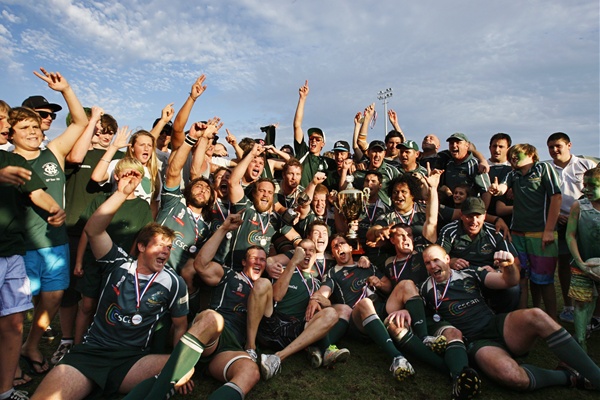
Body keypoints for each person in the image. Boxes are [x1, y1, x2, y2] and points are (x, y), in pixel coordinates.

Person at [31, 170, 189, 400]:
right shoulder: (118, 263)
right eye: (159, 244)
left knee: (186, 367)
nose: (166, 250)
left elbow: (180, 326)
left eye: (169, 246)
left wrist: (178, 369)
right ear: (142, 247)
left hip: (133, 360)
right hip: (92, 353)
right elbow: (94, 230)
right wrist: (121, 194)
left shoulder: (174, 282)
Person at [421, 244, 600, 391]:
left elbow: (509, 281)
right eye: (427, 263)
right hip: (477, 342)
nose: (433, 266)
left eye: (436, 260)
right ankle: (567, 376)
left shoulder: (470, 273)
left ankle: (596, 376)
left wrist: (508, 266)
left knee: (536, 315)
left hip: (496, 324)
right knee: (513, 377)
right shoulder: (424, 289)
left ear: (447, 259)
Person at [11, 68, 88, 377]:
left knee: (53, 299)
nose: (33, 131)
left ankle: (30, 345)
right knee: (16, 310)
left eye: (36, 126)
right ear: (11, 133)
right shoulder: (8, 161)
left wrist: (66, 90)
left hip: (56, 244)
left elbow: (81, 122)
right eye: (25, 127)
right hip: (22, 247)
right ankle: (10, 361)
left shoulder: (52, 152)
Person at [0, 99, 66, 400]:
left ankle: (6, 386)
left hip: (11, 249)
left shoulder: (18, 163)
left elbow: (38, 193)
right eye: (14, 123)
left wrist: (55, 209)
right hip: (18, 247)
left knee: (14, 321)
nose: (4, 125)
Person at [73, 158, 153, 344]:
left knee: (111, 306)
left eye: (136, 175)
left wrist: (131, 264)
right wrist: (78, 261)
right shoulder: (101, 200)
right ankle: (77, 347)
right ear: (116, 176)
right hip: (93, 261)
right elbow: (87, 231)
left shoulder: (142, 206)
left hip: (121, 267)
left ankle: (101, 345)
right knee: (87, 305)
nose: (131, 178)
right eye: (126, 174)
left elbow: (141, 237)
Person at [248, 240, 350, 380]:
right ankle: (250, 348)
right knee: (262, 283)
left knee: (331, 313)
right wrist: (293, 262)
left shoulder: (317, 283)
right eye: (303, 250)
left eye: (311, 251)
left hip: (295, 331)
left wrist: (324, 302)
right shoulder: (285, 270)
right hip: (271, 322)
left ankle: (277, 358)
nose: (307, 253)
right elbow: (277, 296)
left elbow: (324, 310)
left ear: (315, 256)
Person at [489, 143, 562, 317]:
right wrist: (497, 189)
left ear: (531, 154)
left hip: (541, 233)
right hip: (517, 234)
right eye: (511, 155)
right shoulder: (512, 174)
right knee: (522, 279)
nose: (513, 158)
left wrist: (549, 230)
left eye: (517, 154)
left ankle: (552, 322)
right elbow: (503, 188)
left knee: (544, 281)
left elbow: (556, 198)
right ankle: (525, 317)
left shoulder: (543, 168)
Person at [437, 197, 521, 313]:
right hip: (460, 277)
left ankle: (503, 318)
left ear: (485, 215)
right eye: (469, 216)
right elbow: (436, 258)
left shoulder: (494, 232)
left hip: (488, 277)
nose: (474, 221)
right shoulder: (449, 231)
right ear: (461, 215)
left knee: (513, 289)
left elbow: (515, 261)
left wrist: (498, 271)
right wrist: (450, 262)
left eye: (478, 216)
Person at [547, 132, 597, 323]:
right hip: (559, 221)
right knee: (565, 263)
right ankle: (568, 307)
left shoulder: (586, 165)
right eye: (551, 147)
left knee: (590, 262)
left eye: (558, 146)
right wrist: (556, 215)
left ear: (569, 145)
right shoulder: (546, 168)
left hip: (585, 220)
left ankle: (593, 309)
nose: (554, 150)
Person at [565, 167, 600, 351]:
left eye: (592, 185)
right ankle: (580, 341)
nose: (586, 189)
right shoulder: (579, 206)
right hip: (582, 264)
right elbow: (570, 235)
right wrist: (579, 261)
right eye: (584, 184)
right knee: (581, 303)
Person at [293, 80, 333, 188]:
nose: (313, 141)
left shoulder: (328, 162)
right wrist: (302, 99)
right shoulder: (303, 153)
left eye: (317, 139)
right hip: (303, 200)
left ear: (323, 144)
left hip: (319, 202)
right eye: (311, 138)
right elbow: (297, 125)